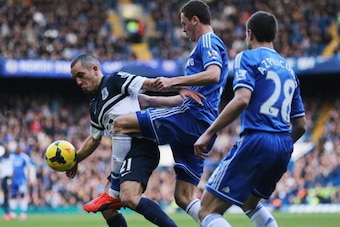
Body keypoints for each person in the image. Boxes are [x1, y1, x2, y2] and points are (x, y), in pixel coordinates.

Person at [110, 0, 229, 224]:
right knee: (183, 197)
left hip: (192, 118)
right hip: (201, 124)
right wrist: (150, 100)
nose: (183, 30)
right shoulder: (204, 46)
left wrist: (173, 81)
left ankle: (114, 187)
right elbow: (188, 96)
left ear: (195, 20)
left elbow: (214, 73)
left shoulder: (208, 41)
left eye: (184, 24)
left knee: (122, 123)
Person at [193, 11, 307, 227]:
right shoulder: (289, 70)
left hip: (256, 139)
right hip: (283, 145)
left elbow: (242, 100)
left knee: (207, 209)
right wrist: (279, 145)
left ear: (249, 34)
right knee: (249, 202)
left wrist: (208, 132)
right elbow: (301, 125)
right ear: (274, 35)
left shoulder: (247, 57)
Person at [66, 53, 202, 227]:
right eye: (75, 78)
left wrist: (178, 88)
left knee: (129, 197)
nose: (78, 82)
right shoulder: (94, 106)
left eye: (80, 75)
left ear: (94, 69)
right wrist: (76, 159)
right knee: (107, 208)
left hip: (141, 146)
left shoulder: (115, 80)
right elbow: (94, 138)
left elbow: (150, 83)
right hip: (124, 155)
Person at [5, 140, 35, 221]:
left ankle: (23, 213)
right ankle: (12, 213)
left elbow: (28, 168)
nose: (17, 149)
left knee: (22, 195)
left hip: (22, 180)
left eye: (19, 148)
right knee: (13, 195)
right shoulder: (13, 157)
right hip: (14, 180)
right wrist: (9, 180)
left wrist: (29, 179)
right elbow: (11, 170)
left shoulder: (25, 157)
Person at [0, 141, 13, 220]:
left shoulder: (11, 157)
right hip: (4, 178)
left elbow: (11, 169)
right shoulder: (2, 158)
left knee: (8, 196)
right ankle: (7, 213)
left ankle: (10, 212)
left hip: (8, 178)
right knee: (5, 196)